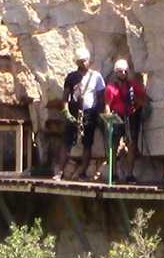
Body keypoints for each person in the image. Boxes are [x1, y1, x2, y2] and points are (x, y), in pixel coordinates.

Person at [55, 47, 106, 181]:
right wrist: (66, 111)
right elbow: (65, 96)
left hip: (90, 112)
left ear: (89, 60)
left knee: (87, 142)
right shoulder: (72, 77)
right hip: (73, 110)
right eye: (80, 61)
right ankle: (59, 171)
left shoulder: (96, 77)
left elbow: (101, 97)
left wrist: (101, 113)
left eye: (84, 61)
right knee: (67, 141)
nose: (82, 63)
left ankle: (82, 172)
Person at [103, 58, 147, 183]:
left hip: (130, 117)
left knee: (132, 145)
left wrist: (136, 108)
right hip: (117, 117)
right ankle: (114, 173)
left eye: (125, 71)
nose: (123, 74)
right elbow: (107, 105)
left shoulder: (132, 86)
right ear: (116, 72)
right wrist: (108, 121)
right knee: (114, 145)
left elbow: (142, 98)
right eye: (120, 71)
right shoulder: (111, 88)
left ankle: (129, 174)